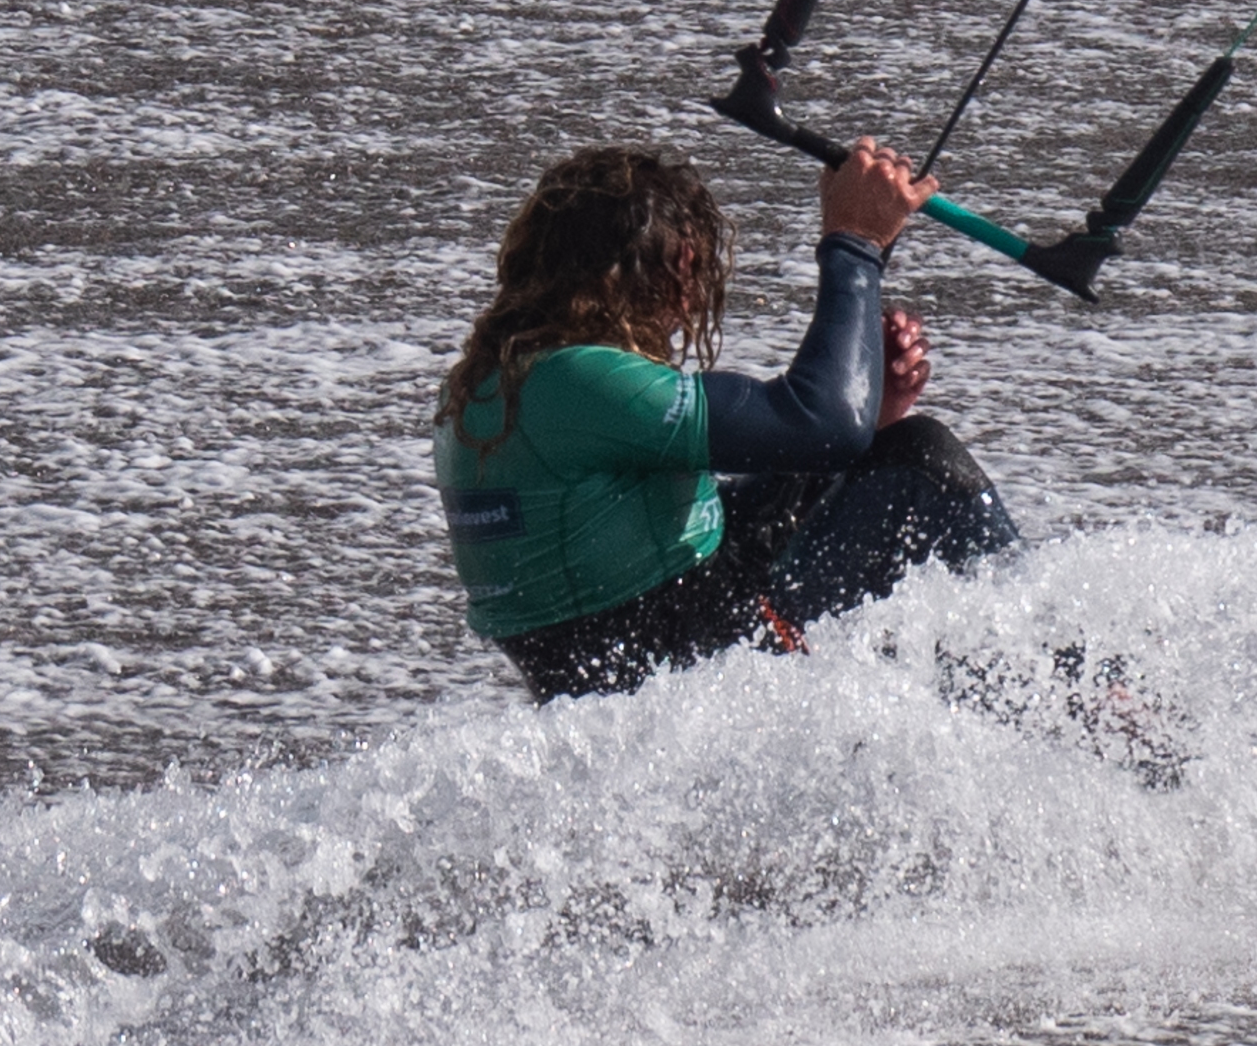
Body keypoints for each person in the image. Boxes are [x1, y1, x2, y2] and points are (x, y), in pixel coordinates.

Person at [433, 138, 1020, 701]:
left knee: (880, 457)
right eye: (679, 274)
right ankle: (1053, 683)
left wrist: (869, 412)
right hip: (694, 675)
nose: (688, 302)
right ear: (622, 275)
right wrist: (856, 244)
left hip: (643, 654)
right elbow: (822, 424)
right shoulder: (575, 381)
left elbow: (729, 503)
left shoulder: (494, 384)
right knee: (922, 460)